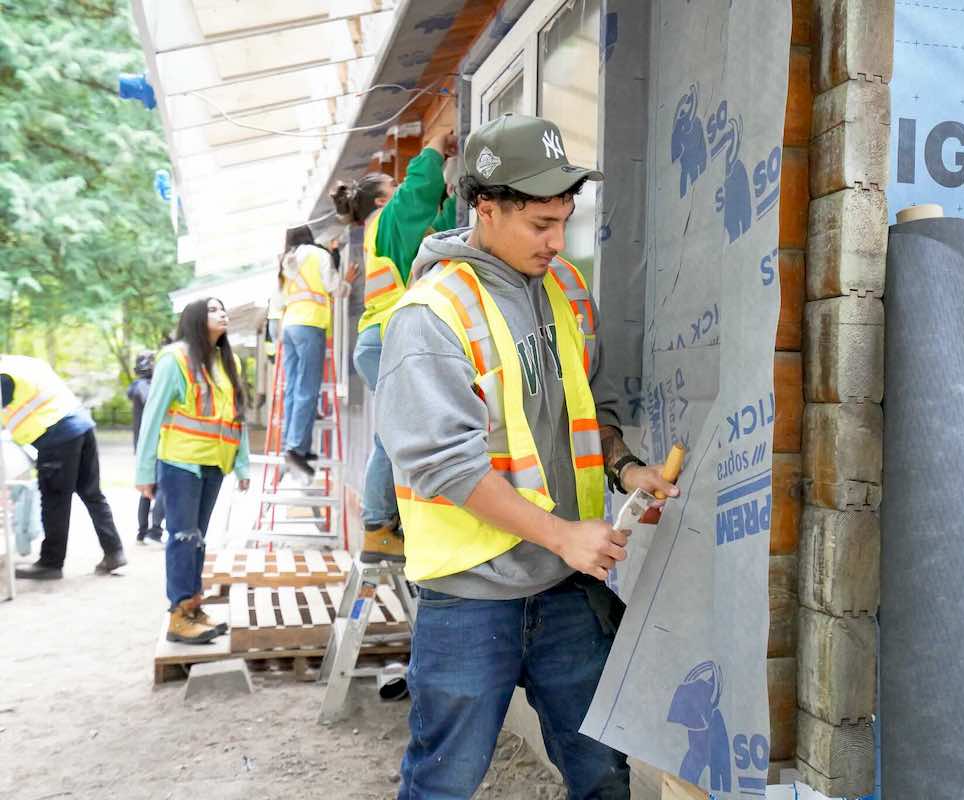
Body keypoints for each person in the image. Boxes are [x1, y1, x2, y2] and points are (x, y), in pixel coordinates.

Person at [378, 114, 680, 798]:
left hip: (563, 588)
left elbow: (582, 412)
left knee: (603, 773)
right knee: (443, 782)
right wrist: (565, 535)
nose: (557, 241)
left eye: (564, 220)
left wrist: (626, 470)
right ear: (485, 208)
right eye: (541, 224)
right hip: (469, 594)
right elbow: (446, 467)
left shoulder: (565, 290)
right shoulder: (431, 314)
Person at [330, 130, 458, 563]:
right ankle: (379, 526)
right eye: (395, 189)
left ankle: (384, 523)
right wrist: (435, 150)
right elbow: (418, 192)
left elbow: (439, 234)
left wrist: (455, 199)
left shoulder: (386, 232)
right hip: (387, 339)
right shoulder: (385, 222)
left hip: (379, 340)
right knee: (393, 438)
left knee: (397, 434)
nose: (403, 191)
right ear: (384, 202)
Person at [134, 298, 251, 644]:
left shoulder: (226, 362)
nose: (223, 313)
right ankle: (179, 614)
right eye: (214, 309)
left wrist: (242, 465)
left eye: (223, 308)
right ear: (196, 318)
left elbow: (235, 417)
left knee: (198, 538)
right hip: (181, 463)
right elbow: (152, 417)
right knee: (183, 537)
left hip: (215, 463)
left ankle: (194, 607)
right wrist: (144, 472)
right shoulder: (175, 358)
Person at [2, 356, 126, 581]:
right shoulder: (22, 363)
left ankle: (51, 563)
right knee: (92, 494)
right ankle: (114, 552)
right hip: (81, 425)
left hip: (56, 435)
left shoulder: (4, 376)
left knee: (55, 500)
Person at [278, 225, 341, 483]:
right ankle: (296, 448)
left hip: (290, 325)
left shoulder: (286, 261)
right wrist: (342, 273)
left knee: (293, 388)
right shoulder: (318, 255)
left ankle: (292, 444)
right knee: (307, 388)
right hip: (310, 323)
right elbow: (333, 285)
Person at [127, 351, 165, 543]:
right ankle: (151, 530)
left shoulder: (141, 386)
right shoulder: (142, 387)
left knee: (151, 488)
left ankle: (146, 531)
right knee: (158, 487)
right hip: (153, 444)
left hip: (151, 443)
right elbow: (154, 402)